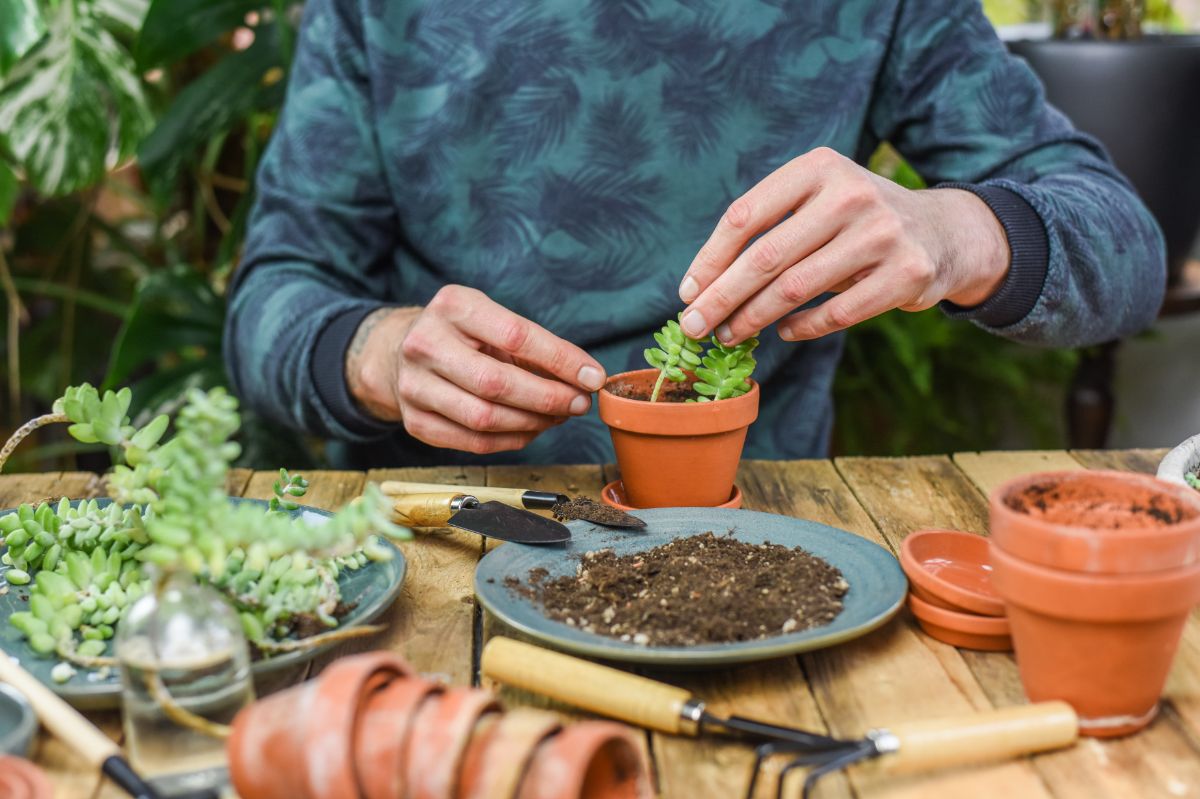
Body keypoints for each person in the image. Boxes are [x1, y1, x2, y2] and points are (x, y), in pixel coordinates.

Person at [225, 0, 1165, 468]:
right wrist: (379, 354)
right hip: (448, 534)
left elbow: (1129, 250)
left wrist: (959, 232)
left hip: (761, 536)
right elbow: (270, 301)